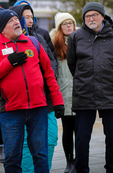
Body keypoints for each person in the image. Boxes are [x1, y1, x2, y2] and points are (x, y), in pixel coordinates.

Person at [0, 5, 65, 173]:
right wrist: (8, 63)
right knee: (12, 158)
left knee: (41, 155)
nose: (16, 22)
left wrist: (58, 101)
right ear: (2, 29)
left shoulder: (33, 42)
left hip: (38, 109)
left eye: (16, 19)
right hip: (11, 112)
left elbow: (49, 73)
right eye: (11, 21)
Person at [67, 2, 113, 173]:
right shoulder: (76, 36)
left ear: (102, 16)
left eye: (94, 15)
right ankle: (82, 169)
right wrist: (85, 78)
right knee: (82, 138)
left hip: (111, 92)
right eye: (87, 16)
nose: (91, 18)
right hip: (84, 93)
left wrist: (111, 77)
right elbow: (73, 64)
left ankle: (111, 169)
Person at [9, 4, 59, 172]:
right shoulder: (7, 40)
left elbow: (52, 62)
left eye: (32, 17)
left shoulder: (40, 37)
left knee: (50, 139)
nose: (30, 20)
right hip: (23, 102)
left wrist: (45, 81)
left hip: (46, 97)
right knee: (26, 144)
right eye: (26, 17)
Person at [50, 12, 77, 173]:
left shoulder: (81, 41)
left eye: (71, 23)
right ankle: (69, 161)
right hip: (63, 92)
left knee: (81, 131)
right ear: (59, 27)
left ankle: (79, 160)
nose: (68, 26)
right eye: (65, 23)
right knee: (67, 130)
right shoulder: (55, 43)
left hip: (80, 92)